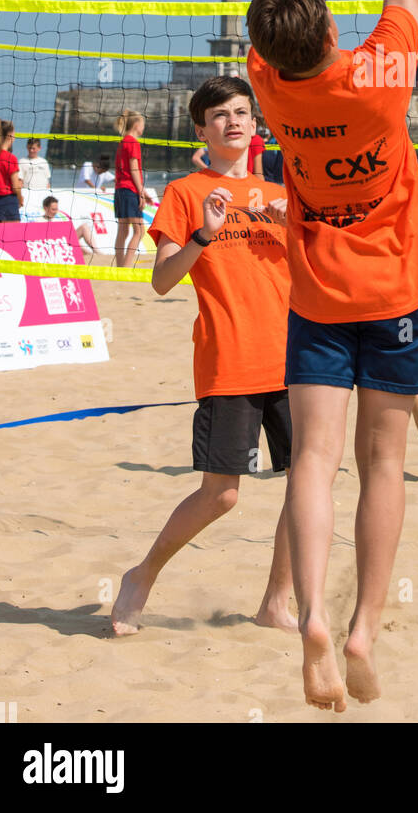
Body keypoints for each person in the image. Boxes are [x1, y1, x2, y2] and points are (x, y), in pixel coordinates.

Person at [245, 0, 418, 711]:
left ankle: (310, 617)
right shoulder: (378, 74)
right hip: (394, 292)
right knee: (382, 464)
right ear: (331, 29)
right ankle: (363, 623)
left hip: (316, 298)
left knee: (314, 466)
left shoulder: (271, 85)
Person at [111, 75, 295, 636]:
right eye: (220, 115)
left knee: (306, 484)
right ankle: (141, 576)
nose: (233, 121)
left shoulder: (284, 196)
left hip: (298, 361)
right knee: (222, 495)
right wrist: (203, 236)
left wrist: (303, 233)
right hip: (230, 358)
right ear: (202, 129)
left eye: (242, 112)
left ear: (256, 125)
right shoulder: (188, 192)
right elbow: (162, 280)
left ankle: (275, 604)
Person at [114, 110, 148, 268]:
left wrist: (143, 191)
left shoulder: (123, 142)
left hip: (120, 189)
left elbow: (126, 170)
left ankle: (120, 266)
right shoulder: (133, 142)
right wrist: (141, 191)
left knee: (123, 230)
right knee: (139, 230)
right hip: (129, 190)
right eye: (143, 124)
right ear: (136, 125)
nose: (144, 128)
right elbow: (134, 170)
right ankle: (126, 267)